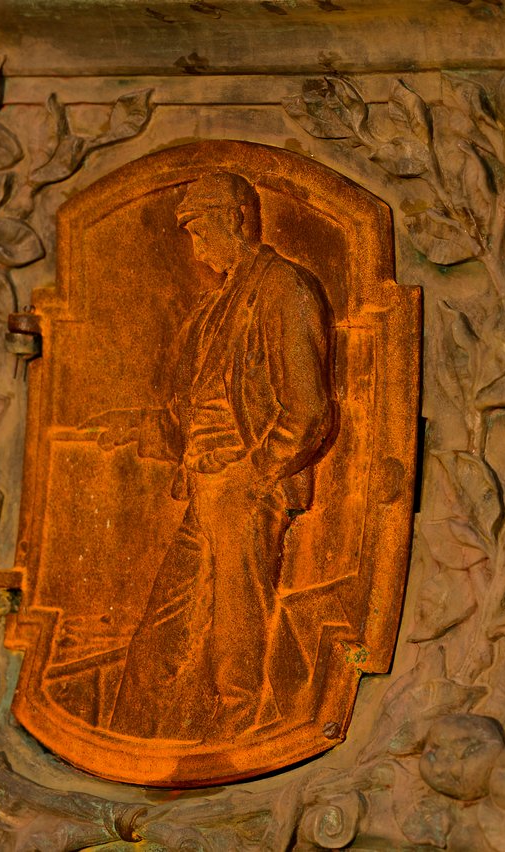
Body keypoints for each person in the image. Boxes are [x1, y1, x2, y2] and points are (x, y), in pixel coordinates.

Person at [83, 172, 334, 741]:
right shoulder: (214, 306)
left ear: (239, 220)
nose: (195, 249)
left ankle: (235, 738)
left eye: (201, 231)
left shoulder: (284, 288)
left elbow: (309, 410)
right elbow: (194, 412)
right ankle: (138, 733)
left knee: (237, 634)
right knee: (162, 633)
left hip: (245, 490)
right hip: (204, 490)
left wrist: (254, 474)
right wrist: (132, 428)